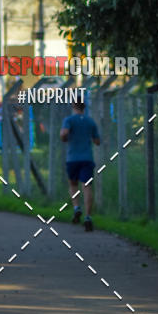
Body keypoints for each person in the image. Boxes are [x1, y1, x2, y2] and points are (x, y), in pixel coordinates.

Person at [60, 99, 101, 231]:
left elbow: (64, 134)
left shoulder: (69, 120)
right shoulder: (90, 122)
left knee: (73, 184)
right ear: (84, 107)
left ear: (73, 107)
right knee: (87, 186)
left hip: (72, 159)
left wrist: (65, 137)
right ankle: (88, 217)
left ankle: (77, 208)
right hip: (87, 159)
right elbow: (97, 141)